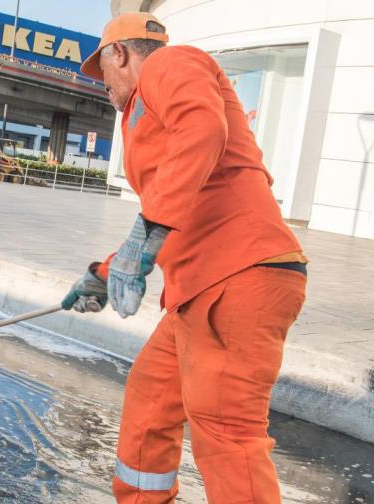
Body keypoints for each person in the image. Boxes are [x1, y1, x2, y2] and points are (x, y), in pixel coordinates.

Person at [62, 12, 308, 504]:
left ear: (121, 54)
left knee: (226, 434)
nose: (102, 85)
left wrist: (143, 237)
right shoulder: (147, 111)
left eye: (102, 71)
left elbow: (202, 129)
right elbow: (178, 202)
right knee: (152, 399)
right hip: (202, 288)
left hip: (239, 275)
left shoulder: (171, 64)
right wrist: (104, 274)